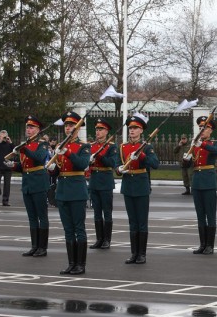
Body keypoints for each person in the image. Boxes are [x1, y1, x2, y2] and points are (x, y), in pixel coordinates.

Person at [48, 111, 91, 275]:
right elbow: (59, 170)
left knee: (79, 228)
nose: (68, 128)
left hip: (77, 191)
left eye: (71, 125)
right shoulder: (60, 146)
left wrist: (66, 152)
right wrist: (53, 169)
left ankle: (81, 264)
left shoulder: (83, 146)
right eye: (66, 125)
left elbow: (82, 165)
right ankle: (71, 263)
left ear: (77, 128)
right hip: (63, 192)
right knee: (68, 230)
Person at [116, 115, 160, 265]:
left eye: (135, 128)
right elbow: (117, 164)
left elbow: (155, 164)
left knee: (142, 222)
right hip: (128, 186)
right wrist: (119, 169)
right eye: (130, 128)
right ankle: (134, 253)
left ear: (141, 130)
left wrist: (141, 156)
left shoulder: (147, 147)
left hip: (141, 186)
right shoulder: (123, 147)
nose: (132, 130)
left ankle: (142, 254)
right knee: (132, 222)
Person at [7, 116, 51, 257]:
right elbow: (25, 166)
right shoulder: (25, 145)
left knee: (42, 216)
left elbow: (38, 158)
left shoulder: (42, 144)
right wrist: (13, 166)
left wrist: (24, 150)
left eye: (32, 127)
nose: (29, 130)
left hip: (38, 182)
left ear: (38, 130)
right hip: (27, 183)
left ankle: (42, 247)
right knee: (32, 217)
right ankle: (34, 246)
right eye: (27, 127)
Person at [186, 116, 217, 255]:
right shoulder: (195, 145)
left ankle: (210, 245)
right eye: (200, 127)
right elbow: (190, 163)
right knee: (200, 215)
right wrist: (186, 160)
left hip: (208, 181)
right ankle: (202, 244)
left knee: (210, 214)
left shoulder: (214, 143)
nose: (202, 130)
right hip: (197, 181)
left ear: (211, 130)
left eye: (205, 128)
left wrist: (201, 144)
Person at [88, 118, 118, 250]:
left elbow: (111, 163)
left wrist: (99, 156)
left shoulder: (112, 146)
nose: (98, 132)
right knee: (96, 212)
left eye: (101, 129)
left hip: (105, 181)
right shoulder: (91, 145)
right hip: (94, 180)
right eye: (97, 129)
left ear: (106, 131)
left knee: (107, 212)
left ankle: (107, 240)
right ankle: (99, 239)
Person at [0, 130, 15, 206]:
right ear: (0, 136)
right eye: (2, 135)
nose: (3, 136)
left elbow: (15, 151)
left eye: (5, 135)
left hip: (7, 167)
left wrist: (10, 142)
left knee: (7, 185)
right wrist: (0, 141)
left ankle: (5, 200)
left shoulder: (9, 144)